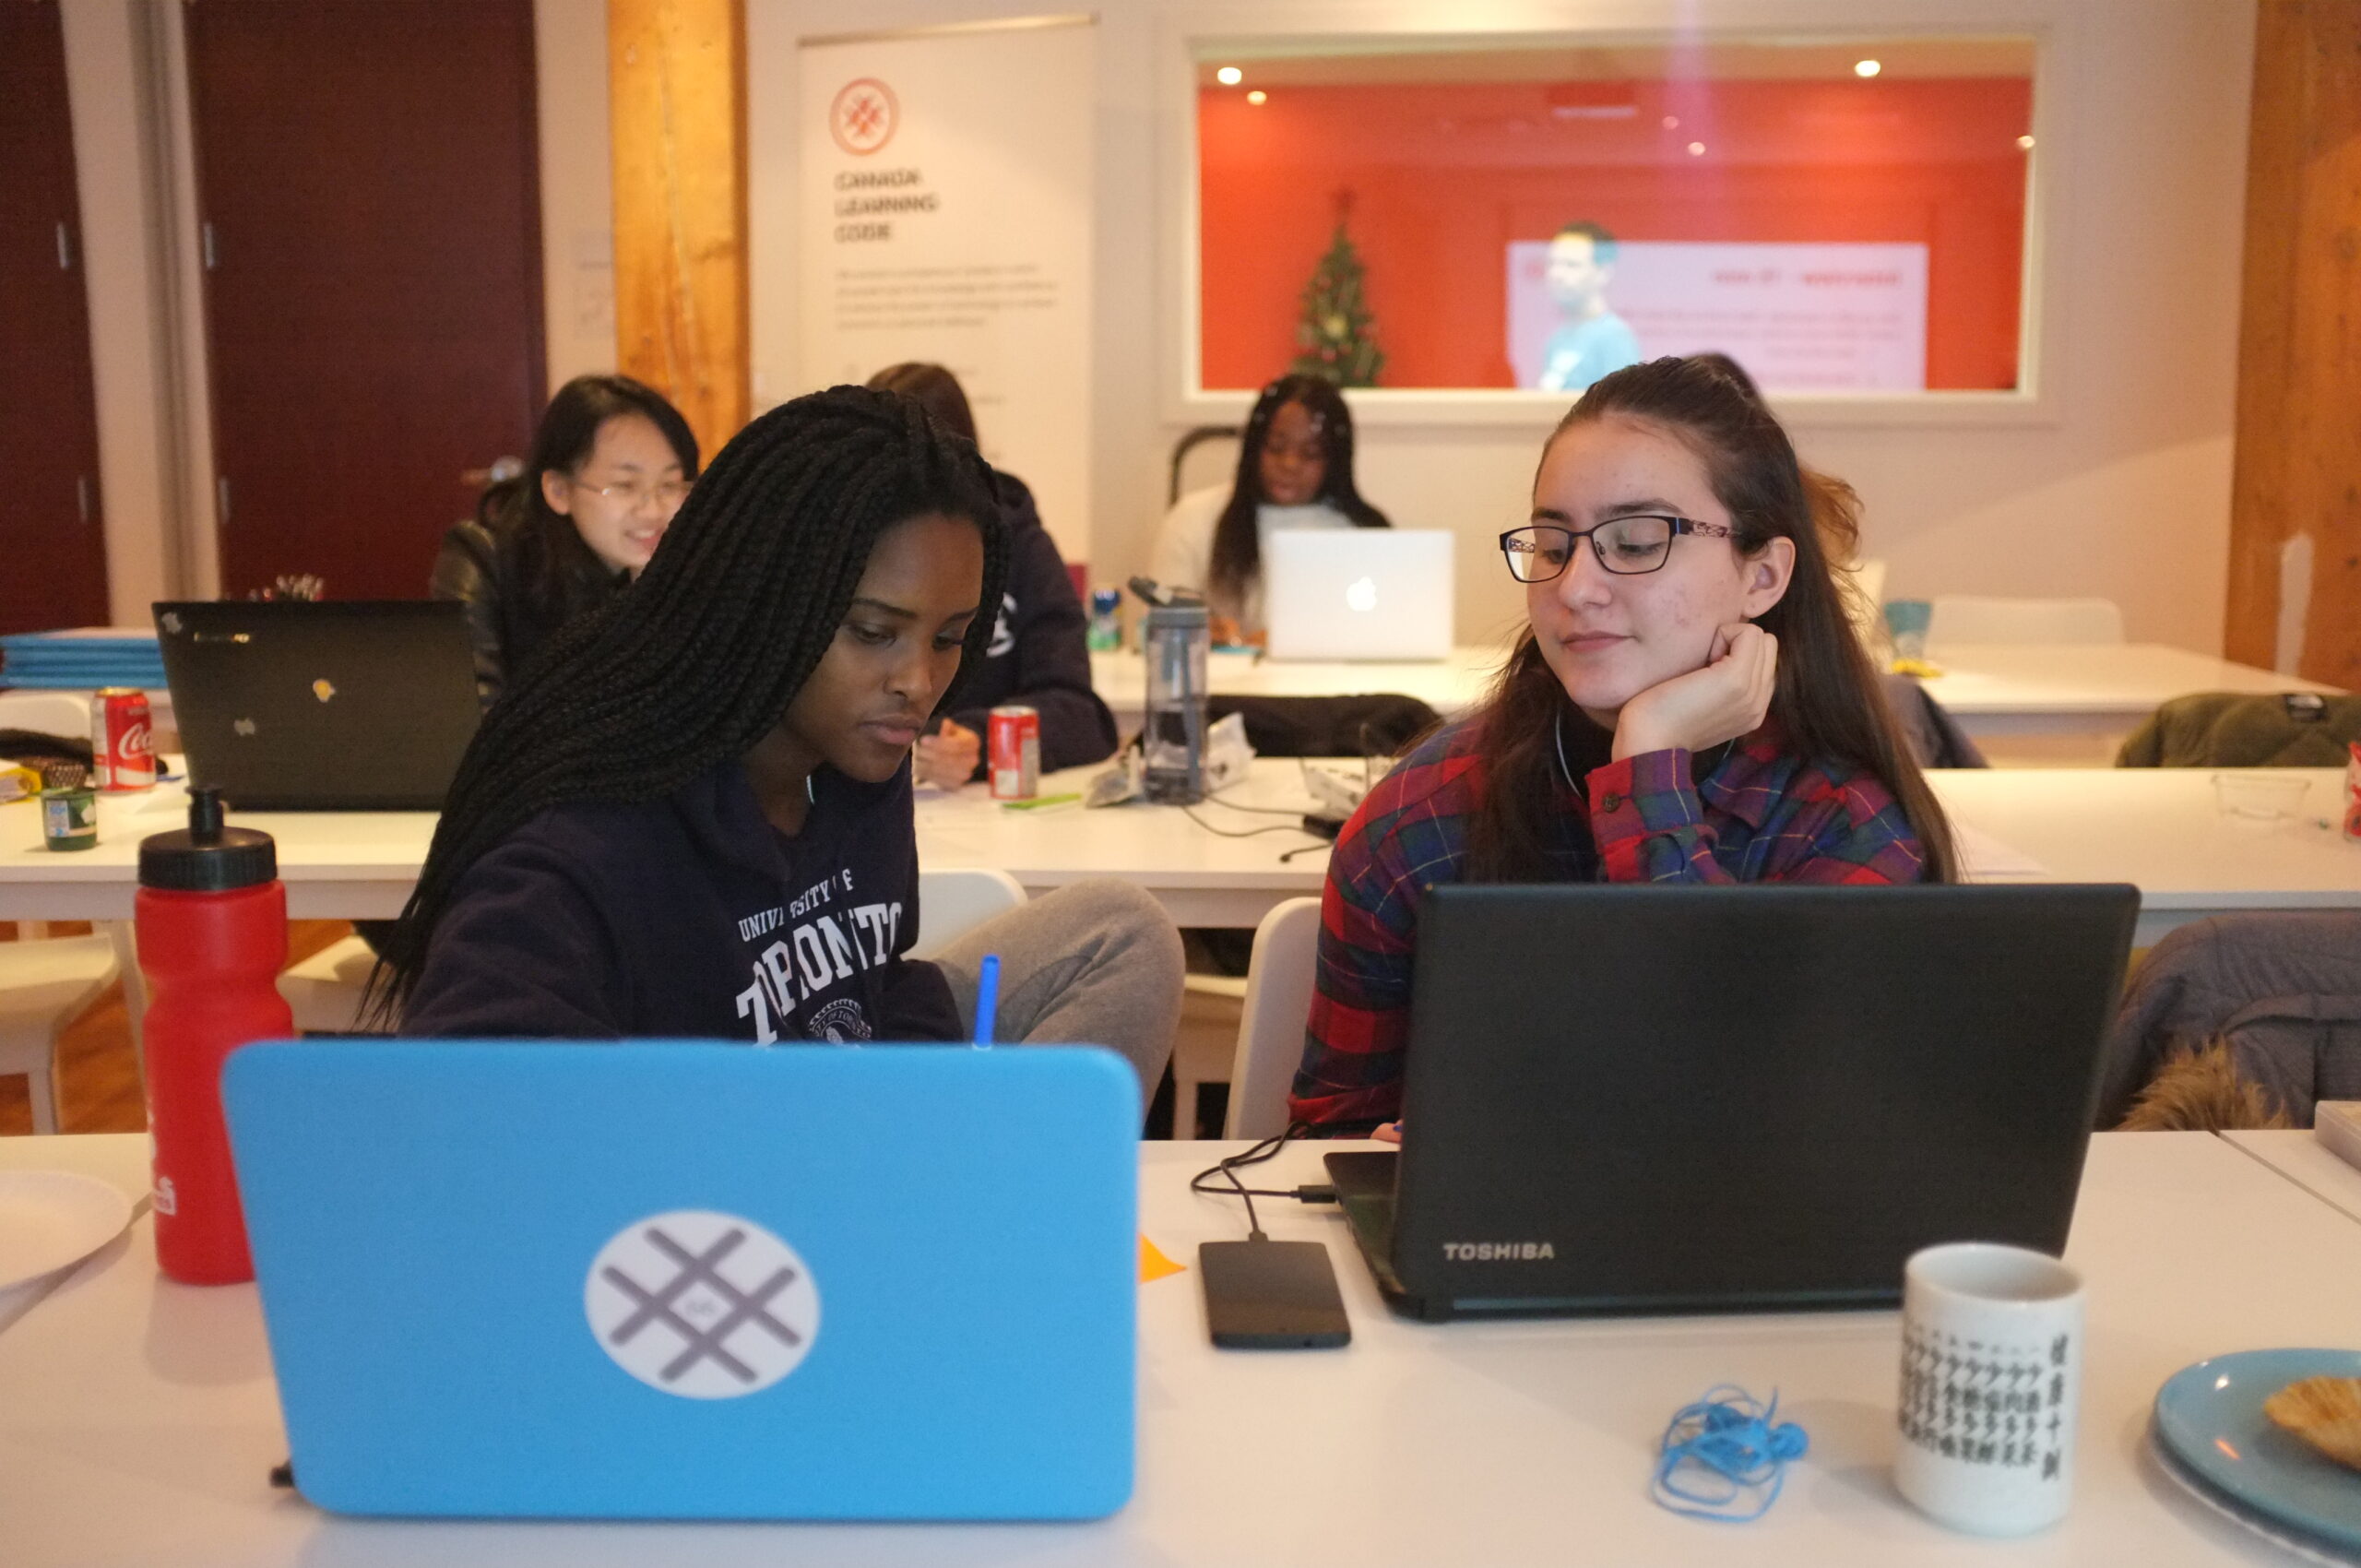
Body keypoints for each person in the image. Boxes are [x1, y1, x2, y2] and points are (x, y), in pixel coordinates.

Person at [378, 385, 1184, 1107]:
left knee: (1121, 929)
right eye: (874, 632)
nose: (920, 680)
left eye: (951, 638)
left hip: (839, 1125)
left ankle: (982, 1217)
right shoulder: (581, 848)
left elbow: (866, 984)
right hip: (719, 1222)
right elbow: (464, 1127)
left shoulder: (854, 752)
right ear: (766, 603)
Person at [1289, 356, 1959, 1132]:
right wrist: (1379, 1161)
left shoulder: (1842, 826)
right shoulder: (1422, 820)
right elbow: (1326, 1134)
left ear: (1764, 577)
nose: (1575, 587)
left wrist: (1648, 771)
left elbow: (1749, 1124)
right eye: (1551, 544)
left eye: (1637, 541)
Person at [862, 362, 1116, 788]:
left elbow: (1080, 716)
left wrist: (978, 741)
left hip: (982, 813)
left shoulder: (1020, 548)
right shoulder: (843, 551)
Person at [431, 374, 699, 708]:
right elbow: (470, 719)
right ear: (559, 490)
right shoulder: (483, 557)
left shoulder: (689, 567)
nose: (653, 510)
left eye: (670, 485)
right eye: (626, 485)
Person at [1148, 374, 1390, 644]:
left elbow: (1390, 630)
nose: (1289, 464)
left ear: (1334, 460)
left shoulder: (1363, 532)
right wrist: (1198, 631)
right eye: (1276, 448)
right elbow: (1159, 627)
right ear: (1253, 448)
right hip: (1226, 683)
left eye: (1309, 454)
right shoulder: (1194, 518)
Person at [1535, 222, 1643, 395]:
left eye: (1571, 265)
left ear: (1603, 272)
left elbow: (1622, 410)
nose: (1557, 274)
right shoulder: (1557, 339)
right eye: (1552, 263)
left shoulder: (1614, 337)